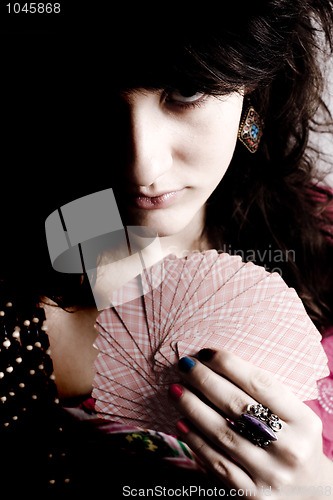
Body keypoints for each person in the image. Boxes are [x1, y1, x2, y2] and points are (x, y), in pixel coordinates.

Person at [1, 0, 333, 496]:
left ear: (253, 87)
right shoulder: (19, 316)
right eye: (100, 100)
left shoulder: (325, 232)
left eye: (186, 91)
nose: (143, 167)